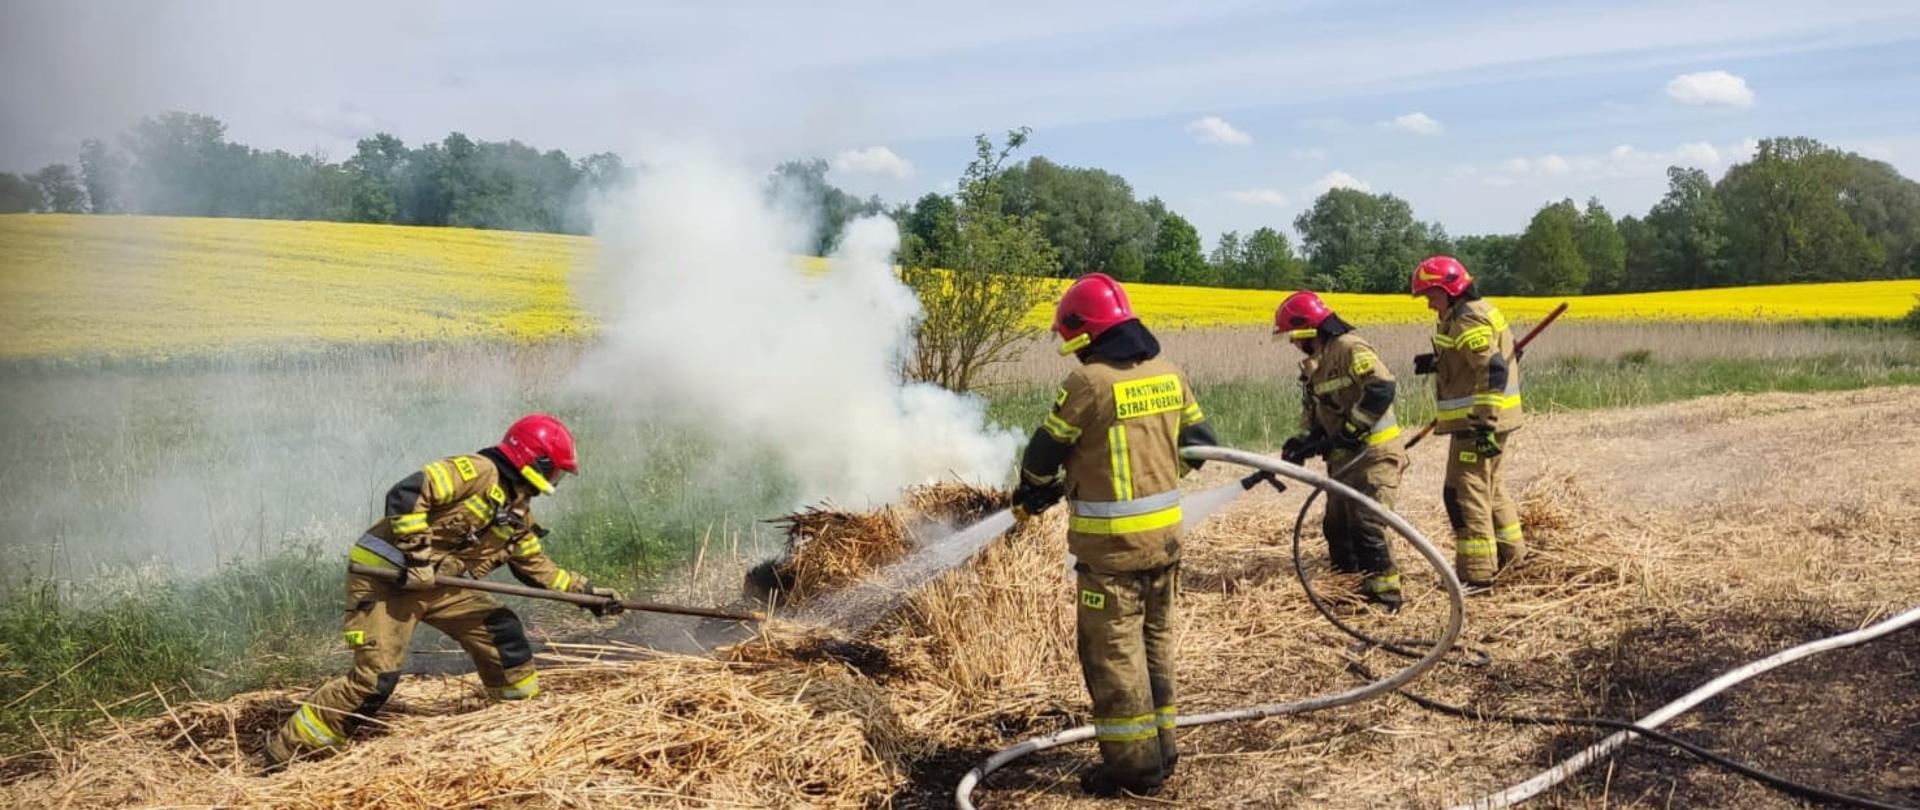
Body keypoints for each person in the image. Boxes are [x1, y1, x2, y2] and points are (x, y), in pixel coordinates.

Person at [264, 413, 621, 768]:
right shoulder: (477, 471)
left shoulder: (518, 512)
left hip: (439, 585)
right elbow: (406, 494)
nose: (555, 479)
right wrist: (417, 558)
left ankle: (518, 721)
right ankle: (286, 756)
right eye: (554, 470)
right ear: (535, 461)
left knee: (502, 632)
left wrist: (587, 595)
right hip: (388, 580)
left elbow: (536, 568)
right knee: (375, 680)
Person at [1010, 272, 1217, 797]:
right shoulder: (1170, 373)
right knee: (1156, 645)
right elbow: (1201, 445)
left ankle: (1132, 770)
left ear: (1088, 332)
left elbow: (1043, 454)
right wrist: (1156, 480)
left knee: (1114, 657)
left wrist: (1035, 489)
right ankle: (1162, 752)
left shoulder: (1089, 382)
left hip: (1111, 553)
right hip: (1166, 540)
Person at [1274, 290, 1404, 610]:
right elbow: (1318, 411)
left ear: (1308, 330)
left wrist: (1352, 429)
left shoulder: (1349, 348)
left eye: (1293, 334)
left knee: (1367, 524)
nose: (1292, 341)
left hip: (1374, 455)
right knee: (1337, 526)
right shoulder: (1314, 365)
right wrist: (1302, 441)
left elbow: (1381, 387)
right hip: (1343, 460)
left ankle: (1383, 596)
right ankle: (1346, 588)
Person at [1410, 256, 1527, 587]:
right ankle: (1513, 560)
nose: (1430, 305)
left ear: (1448, 290)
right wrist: (1437, 362)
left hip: (1477, 425)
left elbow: (1493, 369)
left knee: (1464, 495)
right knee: (1491, 487)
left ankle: (1477, 575)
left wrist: (1483, 424)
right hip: (1492, 421)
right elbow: (1484, 358)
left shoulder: (1467, 319)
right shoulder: (1480, 310)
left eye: (1431, 296)